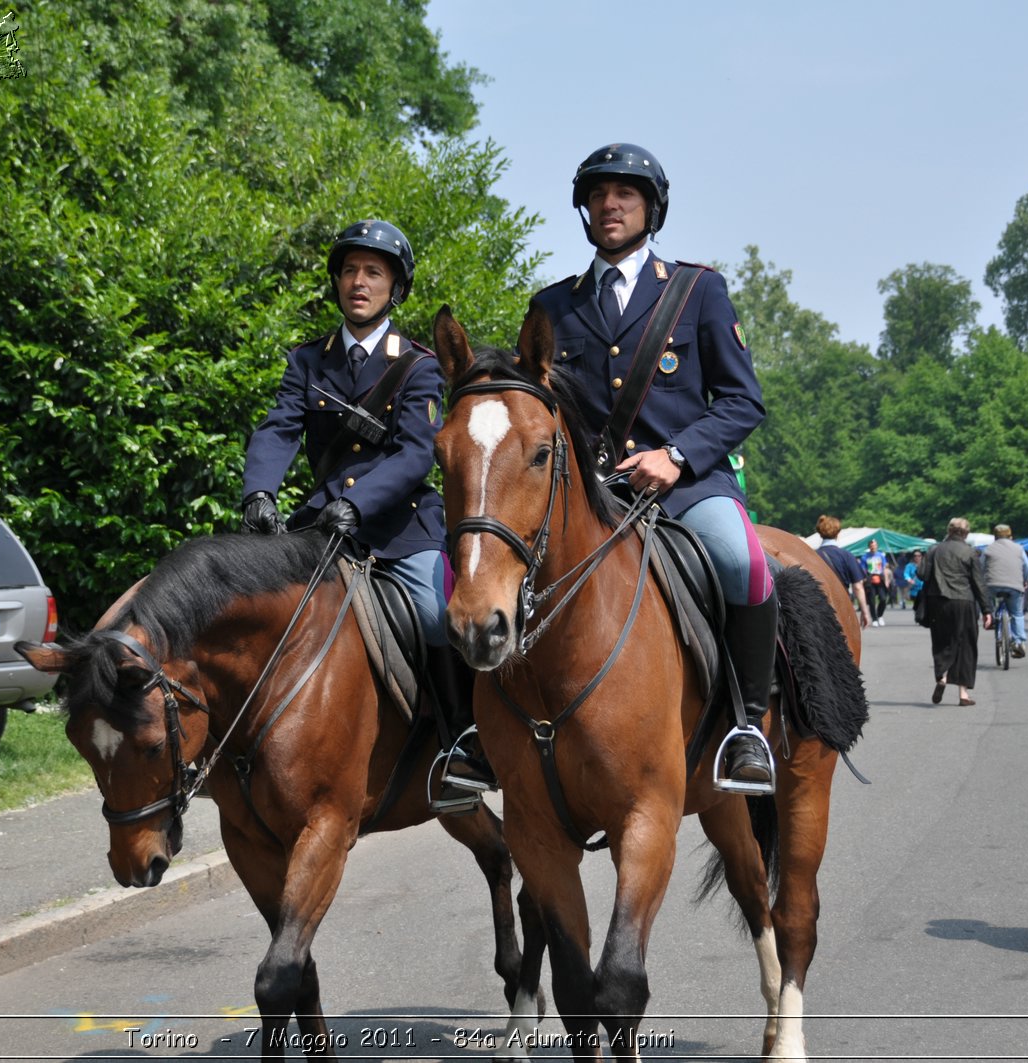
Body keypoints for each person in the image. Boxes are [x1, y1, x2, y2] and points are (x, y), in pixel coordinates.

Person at [531, 142, 775, 793]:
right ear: (584, 209)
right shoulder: (553, 306)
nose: (610, 205)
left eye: (625, 195)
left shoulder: (699, 290)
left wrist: (676, 455)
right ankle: (487, 734)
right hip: (592, 494)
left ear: (650, 208)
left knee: (742, 562)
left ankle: (749, 725)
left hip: (689, 485)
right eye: (599, 195)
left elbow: (743, 401)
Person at [240, 219, 491, 808]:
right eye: (350, 271)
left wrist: (357, 502)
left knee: (436, 614)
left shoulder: (421, 366)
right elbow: (278, 429)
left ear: (394, 288)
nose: (359, 282)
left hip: (401, 526)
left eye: (373, 273)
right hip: (322, 526)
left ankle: (462, 741)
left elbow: (413, 454)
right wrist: (260, 492)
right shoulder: (308, 361)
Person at [921, 517, 993, 706]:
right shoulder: (970, 552)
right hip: (964, 601)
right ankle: (963, 695)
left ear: (949, 530)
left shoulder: (934, 550)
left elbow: (921, 574)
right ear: (966, 533)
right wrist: (987, 610)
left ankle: (942, 677)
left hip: (937, 601)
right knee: (966, 645)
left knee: (941, 641)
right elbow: (979, 583)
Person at [982, 523, 1028, 659]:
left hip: (992, 585)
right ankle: (1018, 642)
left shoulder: (988, 549)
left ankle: (991, 618)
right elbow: (1026, 566)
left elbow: (981, 567)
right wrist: (1025, 580)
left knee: (989, 602)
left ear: (995, 537)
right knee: (1017, 613)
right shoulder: (1019, 549)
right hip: (1014, 586)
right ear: (1010, 536)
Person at [814, 515, 872, 629]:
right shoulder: (846, 556)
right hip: (841, 605)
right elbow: (858, 586)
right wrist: (865, 611)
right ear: (838, 533)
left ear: (820, 533)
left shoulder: (811, 555)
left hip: (817, 606)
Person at [861, 539, 890, 626]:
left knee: (883, 599)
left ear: (877, 546)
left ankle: (880, 615)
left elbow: (884, 568)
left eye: (874, 545)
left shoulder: (881, 555)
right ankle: (874, 619)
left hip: (880, 578)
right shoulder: (865, 557)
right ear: (869, 547)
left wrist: (887, 580)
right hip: (870, 579)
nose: (873, 547)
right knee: (872, 601)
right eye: (871, 546)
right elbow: (863, 570)